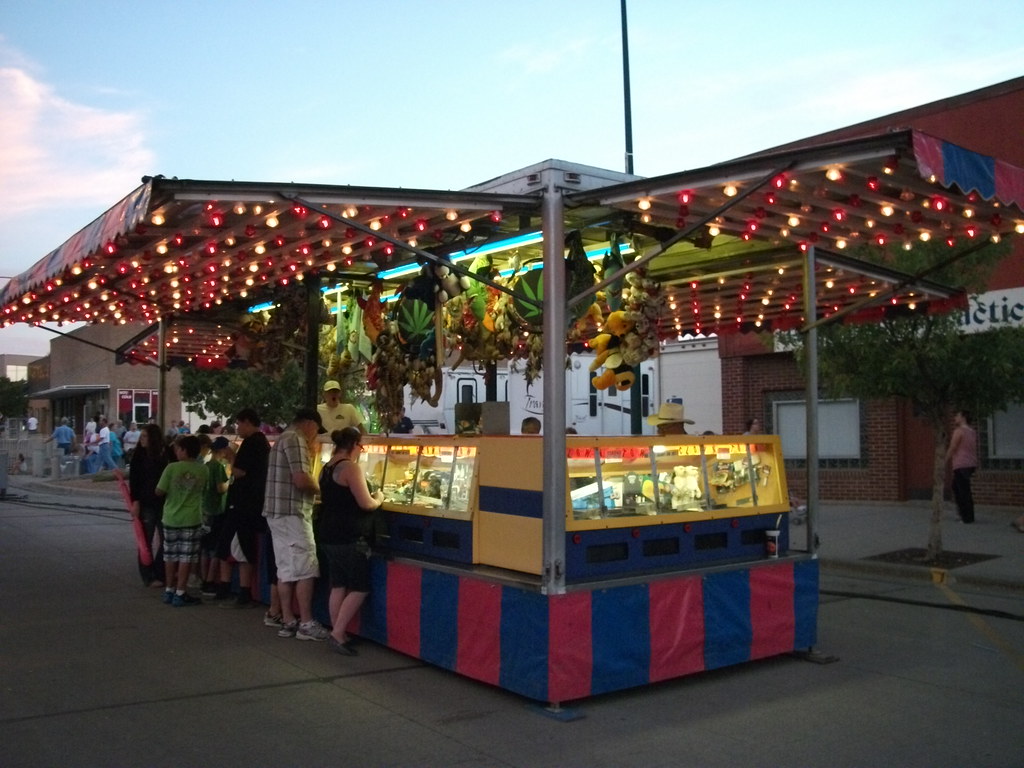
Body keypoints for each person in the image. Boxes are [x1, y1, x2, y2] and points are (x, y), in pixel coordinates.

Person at [263, 408, 330, 641]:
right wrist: (322, 489)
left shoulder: (282, 437)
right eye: (316, 431)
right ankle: (307, 623)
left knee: (285, 569)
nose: (315, 436)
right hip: (292, 513)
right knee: (306, 568)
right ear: (309, 424)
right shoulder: (296, 439)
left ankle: (288, 620)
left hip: (276, 513)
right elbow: (301, 479)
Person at [319, 427, 384, 656]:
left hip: (328, 533)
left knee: (338, 585)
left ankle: (337, 631)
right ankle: (338, 634)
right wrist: (379, 498)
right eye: (361, 446)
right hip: (349, 535)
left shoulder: (327, 467)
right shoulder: (350, 467)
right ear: (355, 444)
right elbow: (365, 503)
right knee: (360, 587)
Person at [213, 408, 270, 607]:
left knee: (236, 544)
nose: (238, 428)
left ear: (247, 422)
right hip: (252, 502)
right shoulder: (262, 443)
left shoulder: (251, 443)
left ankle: (235, 590)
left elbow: (239, 471)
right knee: (238, 545)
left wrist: (230, 458)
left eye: (239, 424)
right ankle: (238, 589)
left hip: (243, 503)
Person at [155, 435, 210, 606]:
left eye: (178, 449)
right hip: (192, 517)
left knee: (170, 555)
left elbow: (159, 491)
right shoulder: (203, 470)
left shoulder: (171, 468)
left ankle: (169, 590)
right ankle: (181, 592)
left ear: (184, 450)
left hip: (171, 516)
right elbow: (205, 490)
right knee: (186, 556)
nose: (176, 452)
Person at [129, 424, 168, 587]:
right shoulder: (138, 455)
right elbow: (134, 480)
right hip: (146, 502)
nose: (142, 439)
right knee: (146, 540)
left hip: (164, 501)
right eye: (141, 436)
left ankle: (160, 571)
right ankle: (148, 575)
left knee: (166, 538)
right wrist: (135, 501)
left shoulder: (164, 453)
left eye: (145, 436)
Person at [198, 435, 230, 597]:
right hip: (217, 510)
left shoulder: (206, 465)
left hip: (204, 509)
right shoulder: (218, 467)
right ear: (223, 450)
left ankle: (204, 579)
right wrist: (229, 480)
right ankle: (210, 581)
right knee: (215, 549)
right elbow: (220, 488)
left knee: (204, 548)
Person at [945, 410, 978, 524]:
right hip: (971, 463)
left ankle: (966, 517)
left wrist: (945, 459)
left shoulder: (959, 431)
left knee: (963, 490)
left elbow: (953, 446)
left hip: (961, 463)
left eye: (957, 416)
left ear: (963, 417)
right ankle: (965, 514)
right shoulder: (972, 431)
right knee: (957, 487)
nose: (955, 417)